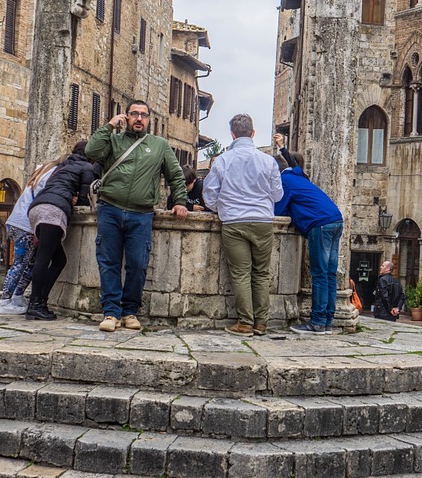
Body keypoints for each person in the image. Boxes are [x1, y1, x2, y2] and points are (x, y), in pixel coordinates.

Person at [86, 100, 189, 332]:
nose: (139, 119)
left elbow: (175, 175)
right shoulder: (113, 140)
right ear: (127, 117)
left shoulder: (160, 145)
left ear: (149, 120)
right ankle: (111, 313)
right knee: (108, 262)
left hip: (141, 214)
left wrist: (180, 201)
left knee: (138, 264)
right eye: (134, 114)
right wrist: (109, 126)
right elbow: (90, 151)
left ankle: (130, 311)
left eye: (143, 115)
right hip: (110, 208)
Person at [202, 114, 284, 336]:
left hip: (234, 221)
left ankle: (245, 323)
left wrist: (222, 208)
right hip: (262, 221)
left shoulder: (223, 161)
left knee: (240, 274)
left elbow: (209, 195)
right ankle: (261, 323)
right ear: (253, 133)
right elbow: (277, 195)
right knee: (261, 273)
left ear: (232, 134)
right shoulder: (268, 161)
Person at [273, 137, 344, 334]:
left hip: (319, 224)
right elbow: (294, 164)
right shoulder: (299, 176)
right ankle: (328, 321)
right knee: (329, 274)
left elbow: (278, 210)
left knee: (320, 274)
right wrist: (283, 148)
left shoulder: (285, 181)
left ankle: (318, 322)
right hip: (336, 219)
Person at [23, 141, 100, 321]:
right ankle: (35, 305)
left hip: (38, 208)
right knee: (43, 258)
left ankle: (40, 301)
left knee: (59, 260)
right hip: (53, 210)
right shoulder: (87, 167)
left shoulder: (62, 167)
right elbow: (83, 196)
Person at [0, 161, 56, 315]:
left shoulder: (37, 177)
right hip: (24, 225)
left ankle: (16, 296)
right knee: (20, 263)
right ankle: (5, 300)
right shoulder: (46, 179)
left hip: (19, 223)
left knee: (30, 264)